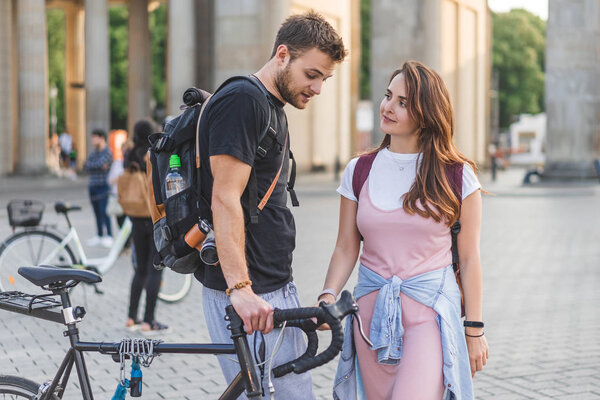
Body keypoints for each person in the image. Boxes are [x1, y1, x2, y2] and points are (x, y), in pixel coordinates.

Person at [195, 11, 346, 398]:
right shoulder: (244, 100)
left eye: (324, 79)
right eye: (311, 74)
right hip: (250, 293)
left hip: (271, 285)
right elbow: (224, 198)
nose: (317, 88)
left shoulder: (270, 106)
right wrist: (241, 289)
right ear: (282, 55)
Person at [319, 61, 489, 400]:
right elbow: (345, 246)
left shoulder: (456, 175)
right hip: (370, 316)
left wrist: (474, 330)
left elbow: (469, 259)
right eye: (388, 96)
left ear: (426, 112)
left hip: (430, 314)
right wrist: (328, 295)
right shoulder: (359, 170)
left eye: (403, 102)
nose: (388, 107)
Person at [124, 119, 168, 333]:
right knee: (155, 269)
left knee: (139, 270)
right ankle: (149, 320)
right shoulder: (153, 153)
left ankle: (131, 317)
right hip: (154, 218)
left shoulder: (129, 155)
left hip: (134, 217)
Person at [83, 129, 113, 248]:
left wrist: (94, 165)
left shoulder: (107, 152)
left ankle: (109, 235)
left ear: (102, 138)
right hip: (93, 185)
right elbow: (85, 166)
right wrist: (98, 166)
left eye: (95, 137)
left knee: (104, 211)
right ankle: (100, 235)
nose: (92, 140)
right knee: (96, 212)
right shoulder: (93, 153)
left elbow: (102, 164)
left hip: (103, 185)